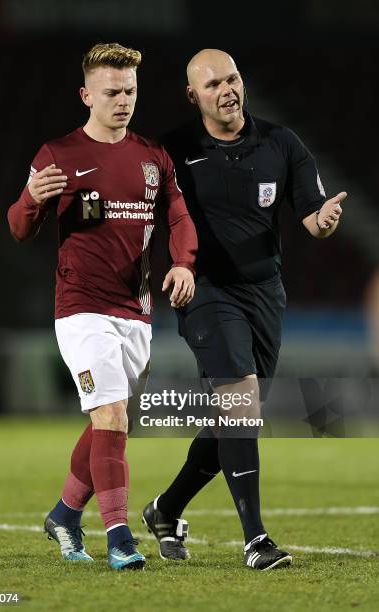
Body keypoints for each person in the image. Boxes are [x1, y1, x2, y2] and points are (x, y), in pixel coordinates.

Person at [142, 48, 347, 570]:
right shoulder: (173, 150)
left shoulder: (281, 142)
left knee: (235, 415)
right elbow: (134, 216)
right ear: (194, 96)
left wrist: (323, 221)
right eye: (213, 85)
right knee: (239, 403)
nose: (227, 90)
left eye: (232, 79)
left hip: (264, 294)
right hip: (204, 290)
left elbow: (310, 215)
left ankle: (166, 509)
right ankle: (256, 540)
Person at [7, 42, 197, 570]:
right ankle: (119, 538)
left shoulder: (152, 158)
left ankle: (65, 514)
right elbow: (20, 228)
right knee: (111, 413)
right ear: (86, 94)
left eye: (130, 91)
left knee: (109, 423)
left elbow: (179, 218)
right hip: (80, 310)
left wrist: (182, 263)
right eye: (112, 92)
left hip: (134, 313)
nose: (123, 100)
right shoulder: (58, 154)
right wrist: (31, 200)